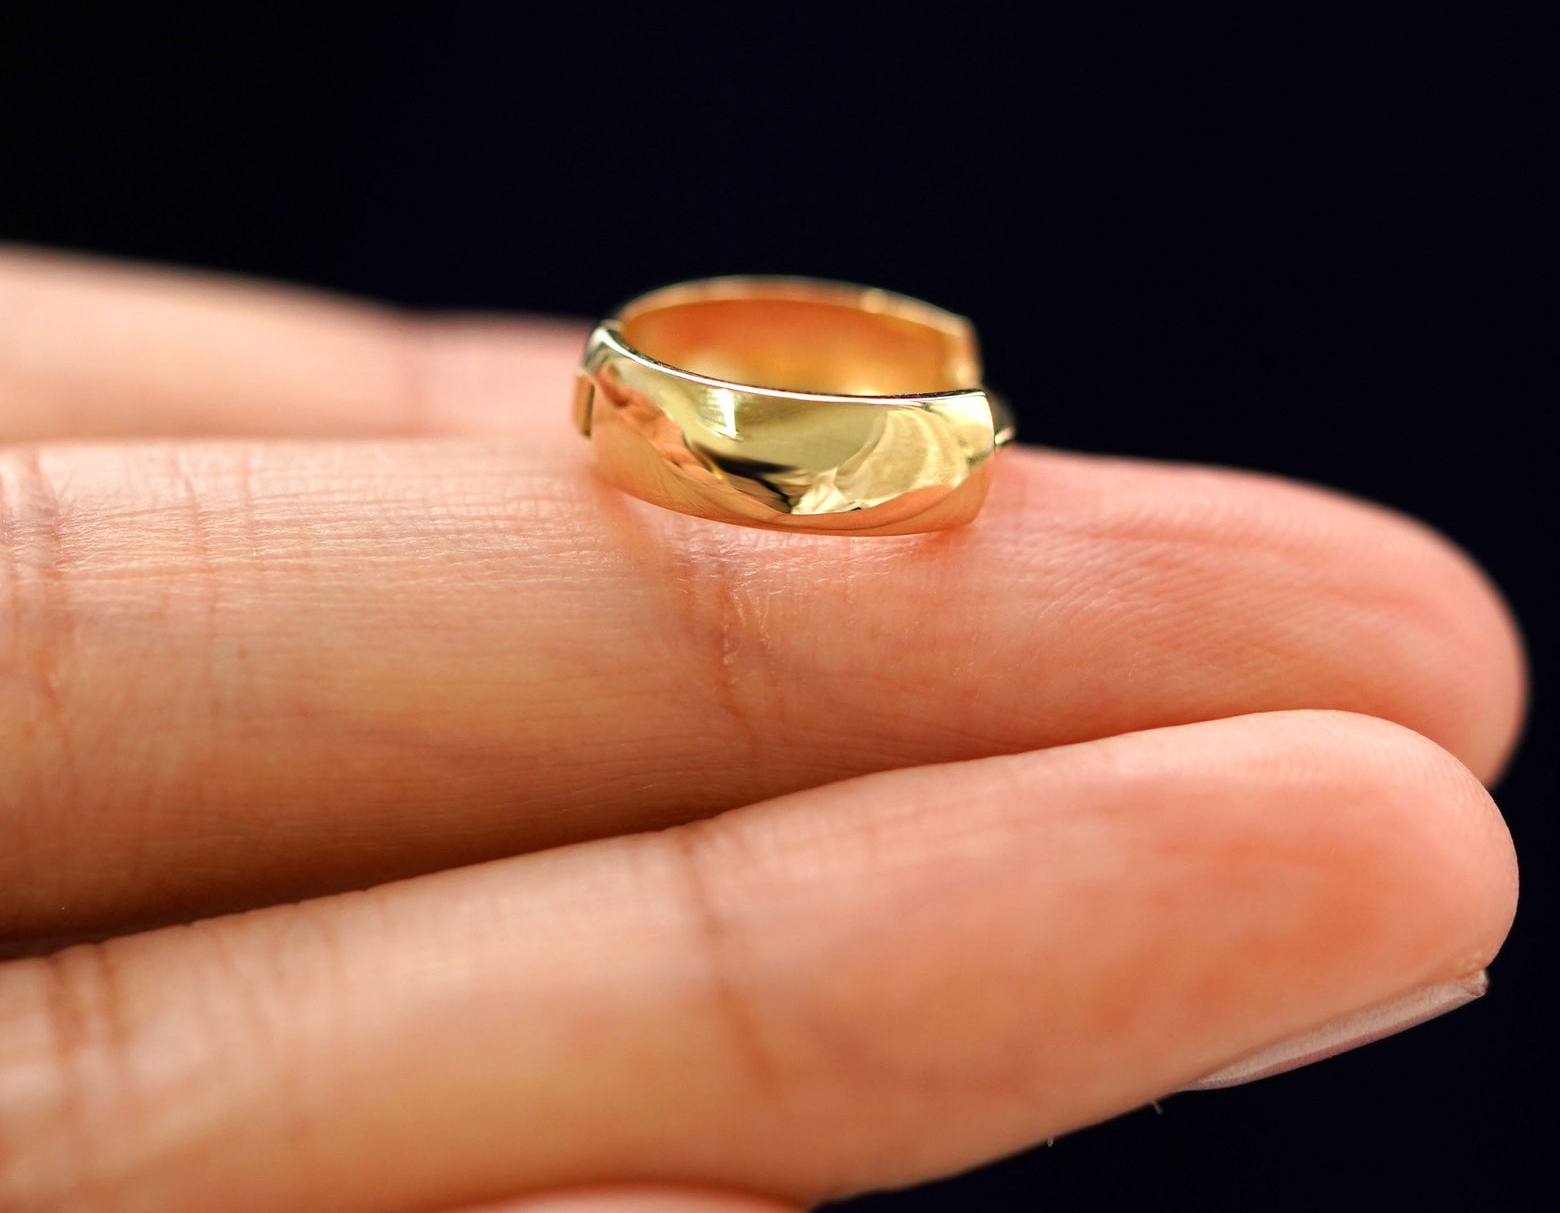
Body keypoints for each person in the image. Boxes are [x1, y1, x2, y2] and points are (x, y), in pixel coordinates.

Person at [0, 246, 1521, 1213]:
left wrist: (944, 446)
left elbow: (927, 435)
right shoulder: (640, 391)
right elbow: (642, 390)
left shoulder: (919, 425)